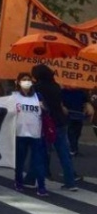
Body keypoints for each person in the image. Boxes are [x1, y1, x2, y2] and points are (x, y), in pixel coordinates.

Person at [30, 64, 78, 192]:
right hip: (61, 121)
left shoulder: (37, 88)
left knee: (41, 151)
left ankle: (36, 177)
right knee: (64, 152)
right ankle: (70, 181)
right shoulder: (56, 86)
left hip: (46, 122)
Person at [10, 73, 48, 197]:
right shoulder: (14, 97)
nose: (26, 82)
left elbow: (47, 112)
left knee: (38, 161)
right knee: (20, 160)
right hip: (20, 133)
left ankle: (41, 186)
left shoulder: (38, 96)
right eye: (24, 80)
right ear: (18, 82)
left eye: (28, 80)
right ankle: (18, 181)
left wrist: (44, 108)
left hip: (36, 134)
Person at [61, 88, 93, 157]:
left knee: (77, 132)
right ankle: (72, 149)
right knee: (71, 132)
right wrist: (62, 107)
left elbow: (85, 102)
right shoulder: (64, 91)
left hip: (79, 114)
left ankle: (74, 149)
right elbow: (59, 101)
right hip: (69, 113)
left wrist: (86, 108)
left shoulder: (81, 91)